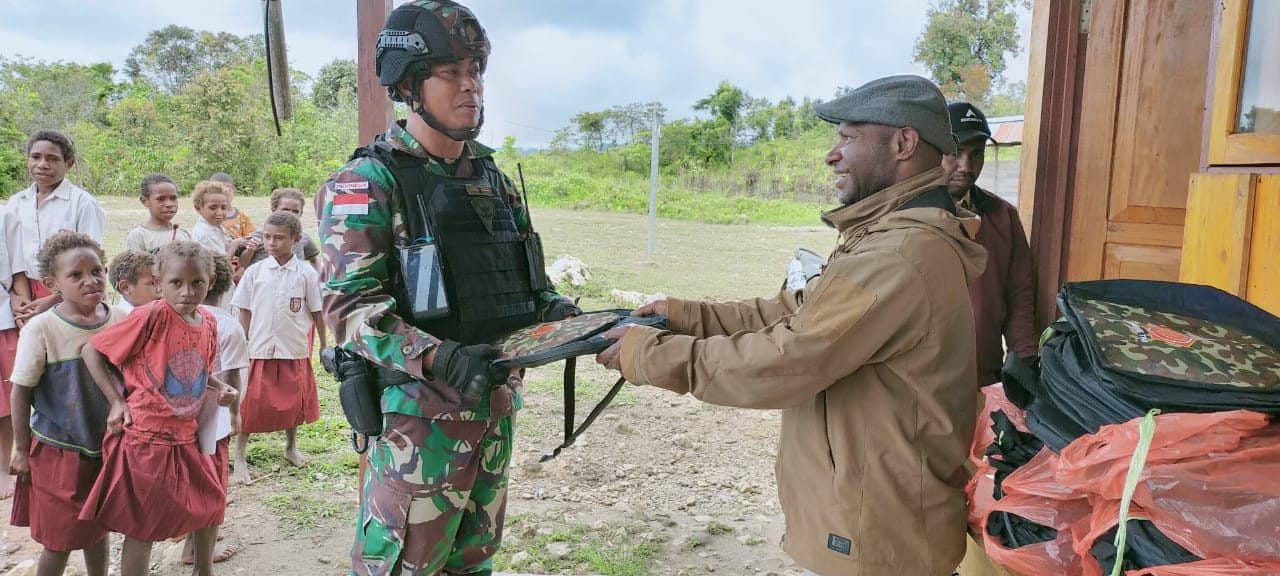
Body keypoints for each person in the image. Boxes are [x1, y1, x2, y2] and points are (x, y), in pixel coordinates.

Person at [596, 75, 988, 576]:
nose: (832, 154)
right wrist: (684, 315)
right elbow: (799, 309)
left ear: (903, 143)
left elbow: (788, 359)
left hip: (877, 539)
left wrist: (647, 354)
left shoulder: (899, 254)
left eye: (847, 137)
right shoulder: (888, 236)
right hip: (876, 521)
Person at [316, 2, 577, 573]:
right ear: (410, 86)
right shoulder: (368, 182)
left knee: (472, 563)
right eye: (451, 73)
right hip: (419, 427)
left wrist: (565, 317)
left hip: (494, 415)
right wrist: (439, 356)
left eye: (476, 71)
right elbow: (349, 309)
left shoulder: (492, 178)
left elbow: (526, 282)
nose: (470, 87)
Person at [80, 241, 232, 576]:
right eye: (176, 283)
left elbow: (200, 372)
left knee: (209, 505)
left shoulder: (207, 321)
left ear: (211, 281)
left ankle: (202, 569)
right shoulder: (151, 316)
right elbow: (92, 351)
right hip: (148, 438)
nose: (187, 292)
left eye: (197, 283)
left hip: (189, 434)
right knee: (143, 523)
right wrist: (116, 401)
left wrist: (222, 389)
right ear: (159, 282)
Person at [8, 231, 125, 576]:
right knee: (59, 539)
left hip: (106, 445)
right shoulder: (42, 328)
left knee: (96, 528)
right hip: (59, 449)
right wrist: (21, 449)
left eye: (96, 271)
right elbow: (20, 391)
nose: (90, 281)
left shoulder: (119, 319)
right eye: (75, 275)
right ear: (52, 282)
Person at [942, 102, 1037, 385]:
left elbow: (1020, 295)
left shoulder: (1002, 216)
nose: (967, 166)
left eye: (977, 154)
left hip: (982, 378)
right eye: (957, 153)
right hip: (922, 384)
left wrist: (1026, 362)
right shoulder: (909, 215)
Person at [229, 211, 326, 482]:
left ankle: (291, 446)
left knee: (293, 400)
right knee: (250, 403)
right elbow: (244, 308)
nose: (271, 243)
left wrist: (322, 345)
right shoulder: (255, 272)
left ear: (296, 240)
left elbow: (318, 312)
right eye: (267, 237)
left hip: (292, 346)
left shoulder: (306, 273)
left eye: (279, 238)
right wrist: (244, 339)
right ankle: (239, 456)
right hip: (259, 346)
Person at [184, 253, 245, 564]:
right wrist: (236, 413)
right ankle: (196, 550)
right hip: (214, 418)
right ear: (225, 286)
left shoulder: (178, 316)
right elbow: (232, 375)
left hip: (182, 417)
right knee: (212, 484)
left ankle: (193, 539)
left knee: (190, 478)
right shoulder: (228, 325)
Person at [8, 130, 106, 324]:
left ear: (68, 164)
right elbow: (9, 256)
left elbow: (91, 261)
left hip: (72, 295)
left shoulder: (82, 203)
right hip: (23, 293)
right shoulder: (16, 203)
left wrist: (54, 299)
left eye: (52, 159)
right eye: (36, 157)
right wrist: (15, 296)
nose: (42, 164)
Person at [0, 202, 25, 499]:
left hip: (2, 317)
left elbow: (18, 273)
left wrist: (23, 310)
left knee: (5, 401)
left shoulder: (5, 214)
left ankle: (4, 467)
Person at [241, 188, 321, 271]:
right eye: (285, 210)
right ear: (274, 210)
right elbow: (242, 263)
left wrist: (321, 278)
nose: (290, 214)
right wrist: (249, 250)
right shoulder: (260, 236)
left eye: (295, 211)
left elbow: (314, 259)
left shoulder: (303, 237)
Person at [124, 173, 192, 254]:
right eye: (160, 199)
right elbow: (133, 265)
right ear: (144, 201)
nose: (169, 204)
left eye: (173, 198)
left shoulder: (183, 235)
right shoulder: (139, 236)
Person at [108, 250, 159, 314]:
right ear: (125, 287)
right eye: (153, 283)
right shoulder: (121, 319)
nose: (160, 289)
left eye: (160, 282)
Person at [209, 172, 256, 241]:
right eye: (219, 191)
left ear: (234, 190)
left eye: (228, 189)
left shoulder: (242, 217)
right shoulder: (208, 218)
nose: (224, 193)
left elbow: (252, 237)